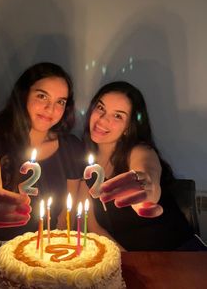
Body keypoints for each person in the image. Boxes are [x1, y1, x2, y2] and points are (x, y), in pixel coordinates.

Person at [0, 62, 84, 252]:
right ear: (23, 95)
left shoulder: (70, 147)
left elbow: (67, 214)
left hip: (42, 247)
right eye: (42, 96)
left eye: (60, 102)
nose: (50, 108)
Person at [81, 81, 203, 251]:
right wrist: (125, 263)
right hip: (133, 259)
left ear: (128, 127)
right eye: (101, 108)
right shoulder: (82, 162)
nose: (102, 119)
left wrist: (146, 189)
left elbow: (147, 171)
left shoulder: (139, 150)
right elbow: (94, 228)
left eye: (118, 116)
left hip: (180, 253)